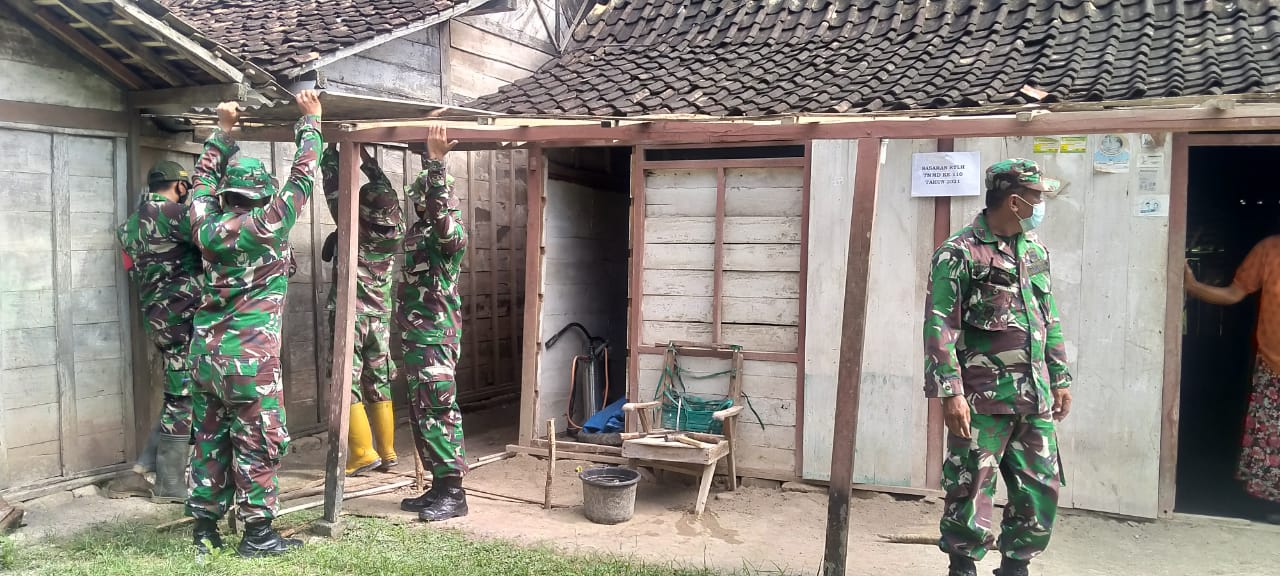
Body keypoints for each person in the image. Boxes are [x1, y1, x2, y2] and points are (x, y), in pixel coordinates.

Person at [184, 91, 323, 557]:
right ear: (262, 194)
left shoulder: (205, 227)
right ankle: (258, 534)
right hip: (249, 361)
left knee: (209, 438)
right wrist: (311, 121)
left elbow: (200, 184)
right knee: (257, 441)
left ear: (226, 197)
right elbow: (302, 177)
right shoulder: (268, 224)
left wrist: (221, 133)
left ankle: (204, 529)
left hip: (205, 357)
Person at [923, 159, 1073, 576]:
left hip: (1034, 398)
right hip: (982, 401)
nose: (1041, 204)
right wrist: (950, 393)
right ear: (1014, 201)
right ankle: (962, 568)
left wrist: (1060, 377)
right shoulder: (959, 252)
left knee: (1040, 491)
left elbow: (1048, 316)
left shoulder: (1034, 250)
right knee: (970, 490)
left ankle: (1015, 568)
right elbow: (940, 325)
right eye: (1037, 196)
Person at [109, 160, 200, 504]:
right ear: (180, 186)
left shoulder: (127, 228)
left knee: (181, 392)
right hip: (185, 319)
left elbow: (132, 270)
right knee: (182, 399)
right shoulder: (178, 215)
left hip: (157, 320)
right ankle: (170, 484)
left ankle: (139, 470)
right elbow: (214, 242)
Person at [396, 125, 470, 522]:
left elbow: (445, 226)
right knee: (423, 411)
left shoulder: (450, 234)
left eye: (423, 199)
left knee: (439, 409)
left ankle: (454, 493)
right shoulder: (418, 232)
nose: (419, 205)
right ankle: (439, 486)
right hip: (416, 336)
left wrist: (437, 165)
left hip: (436, 337)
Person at [318, 143, 405, 476]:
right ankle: (387, 450)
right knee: (379, 381)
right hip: (379, 318)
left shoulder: (354, 224)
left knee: (346, 381)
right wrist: (370, 165)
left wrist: (330, 150)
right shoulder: (394, 230)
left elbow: (332, 183)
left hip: (350, 317)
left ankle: (361, 453)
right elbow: (386, 192)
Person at [1185, 240, 1280, 524]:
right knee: (1273, 442)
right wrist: (1193, 287)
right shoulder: (1269, 250)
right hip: (1273, 367)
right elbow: (1234, 293)